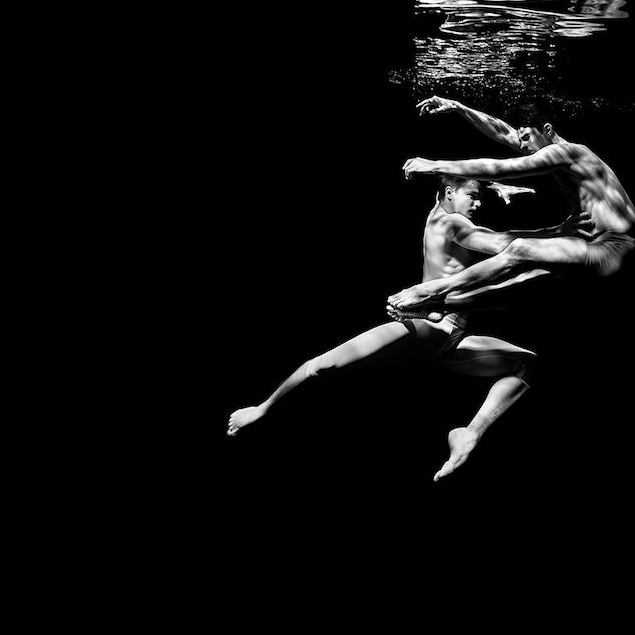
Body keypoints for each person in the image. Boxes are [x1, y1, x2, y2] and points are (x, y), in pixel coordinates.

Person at [226, 174, 583, 481]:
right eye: (471, 197)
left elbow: (449, 175)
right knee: (322, 366)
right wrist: (560, 231)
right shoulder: (452, 223)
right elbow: (503, 245)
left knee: (527, 362)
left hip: (452, 337)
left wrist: (494, 185)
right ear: (447, 194)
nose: (477, 204)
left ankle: (468, 434)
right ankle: (262, 408)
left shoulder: (443, 211)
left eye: (479, 198)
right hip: (426, 329)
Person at [387, 96, 635, 312]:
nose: (521, 144)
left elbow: (500, 169)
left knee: (520, 249)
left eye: (526, 137)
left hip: (614, 247)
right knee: (527, 281)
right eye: (521, 138)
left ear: (547, 130)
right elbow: (503, 132)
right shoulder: (554, 151)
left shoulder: (568, 152)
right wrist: (458, 107)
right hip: (599, 247)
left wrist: (434, 166)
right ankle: (440, 305)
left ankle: (431, 291)